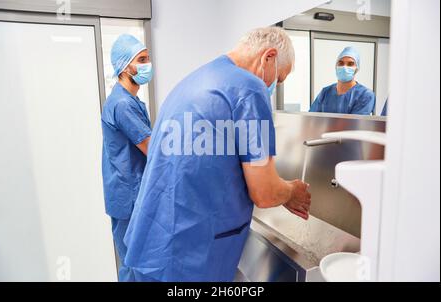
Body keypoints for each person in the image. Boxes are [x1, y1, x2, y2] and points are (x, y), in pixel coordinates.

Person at [123, 27, 311, 282]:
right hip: (188, 258)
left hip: (152, 242)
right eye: (279, 79)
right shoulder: (249, 88)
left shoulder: (193, 81)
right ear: (268, 57)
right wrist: (291, 191)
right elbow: (264, 193)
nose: (273, 86)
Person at [101, 34, 153, 282]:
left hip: (130, 194)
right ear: (124, 67)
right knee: (135, 265)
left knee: (136, 262)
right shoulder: (122, 104)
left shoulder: (131, 101)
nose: (147, 65)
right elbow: (152, 148)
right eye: (141, 60)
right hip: (128, 197)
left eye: (148, 58)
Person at [310, 46, 376, 115]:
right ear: (336, 66)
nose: (344, 67)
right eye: (341, 63)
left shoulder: (365, 95)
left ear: (356, 68)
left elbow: (356, 124)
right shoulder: (325, 92)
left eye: (350, 64)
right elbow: (311, 118)